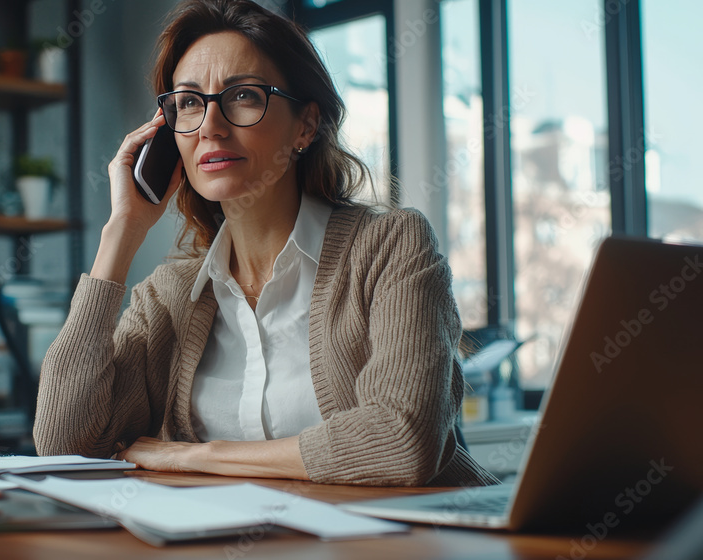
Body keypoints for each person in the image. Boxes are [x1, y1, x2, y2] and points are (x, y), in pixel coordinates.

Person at [34, 0, 498, 486]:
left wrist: (194, 456)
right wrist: (121, 233)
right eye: (189, 102)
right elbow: (66, 445)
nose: (210, 125)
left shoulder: (390, 247)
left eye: (242, 96)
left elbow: (401, 441)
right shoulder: (169, 296)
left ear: (305, 125)